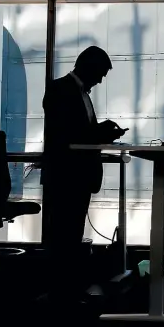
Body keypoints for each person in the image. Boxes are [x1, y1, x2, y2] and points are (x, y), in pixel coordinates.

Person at [41, 46, 127, 262]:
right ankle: (60, 291)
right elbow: (67, 134)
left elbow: (80, 132)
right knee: (63, 238)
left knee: (72, 236)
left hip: (79, 176)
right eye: (100, 74)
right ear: (89, 68)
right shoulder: (58, 89)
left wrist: (102, 131)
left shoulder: (78, 93)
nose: (99, 81)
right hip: (66, 176)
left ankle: (67, 290)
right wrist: (101, 133)